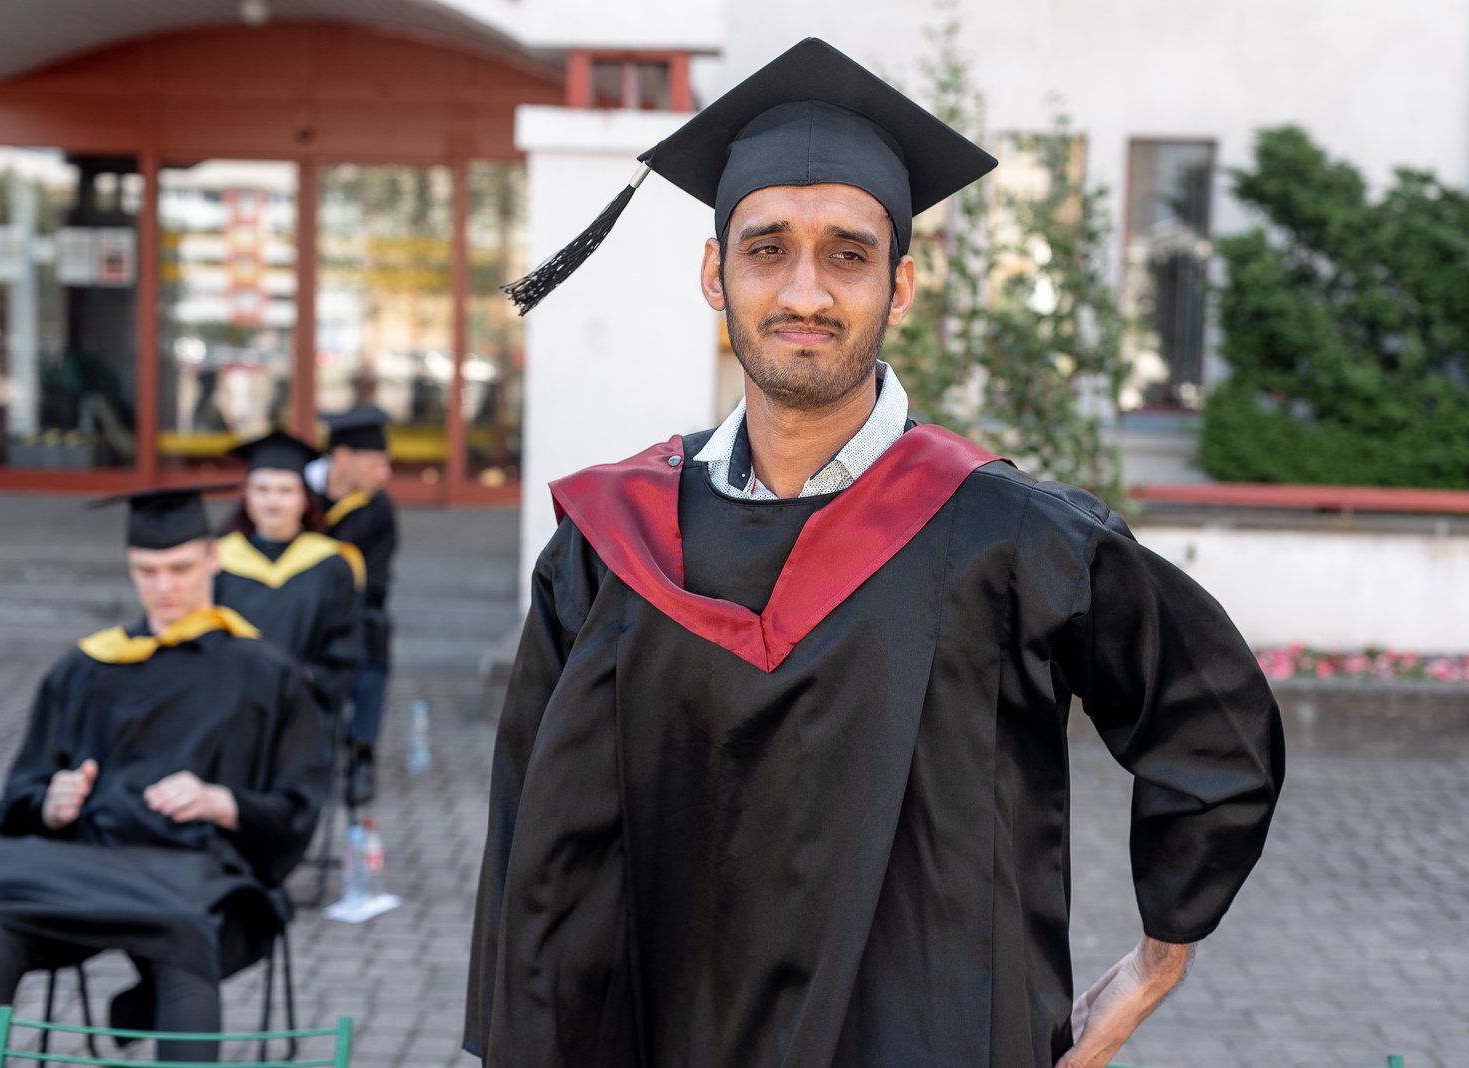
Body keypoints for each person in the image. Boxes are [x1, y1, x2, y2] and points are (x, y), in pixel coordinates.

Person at [466, 39, 1286, 1068]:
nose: (805, 291)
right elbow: (529, 843)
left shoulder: (1010, 538)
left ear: (899, 289)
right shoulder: (609, 544)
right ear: (716, 275)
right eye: (767, 249)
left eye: (847, 255)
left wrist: (1157, 963)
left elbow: (1212, 728)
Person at [0, 486, 332, 1062]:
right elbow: (25, 786)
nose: (164, 587)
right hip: (78, 873)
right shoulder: (87, 667)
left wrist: (222, 802)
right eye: (146, 571)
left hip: (198, 875)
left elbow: (298, 806)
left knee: (186, 938)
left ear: (213, 558)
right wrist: (51, 803)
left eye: (180, 569)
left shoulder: (267, 674)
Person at [215, 430, 364, 722]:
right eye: (262, 489)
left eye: (285, 490)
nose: (273, 501)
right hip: (230, 710)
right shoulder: (218, 559)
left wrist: (303, 679)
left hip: (304, 713)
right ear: (246, 496)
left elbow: (345, 646)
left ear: (304, 498)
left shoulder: (332, 564)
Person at [307, 406, 399, 807]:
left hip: (354, 612)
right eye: (377, 462)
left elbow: (376, 582)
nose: (386, 474)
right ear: (343, 458)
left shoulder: (378, 509)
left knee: (374, 634)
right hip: (295, 610)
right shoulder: (296, 494)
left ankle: (362, 751)